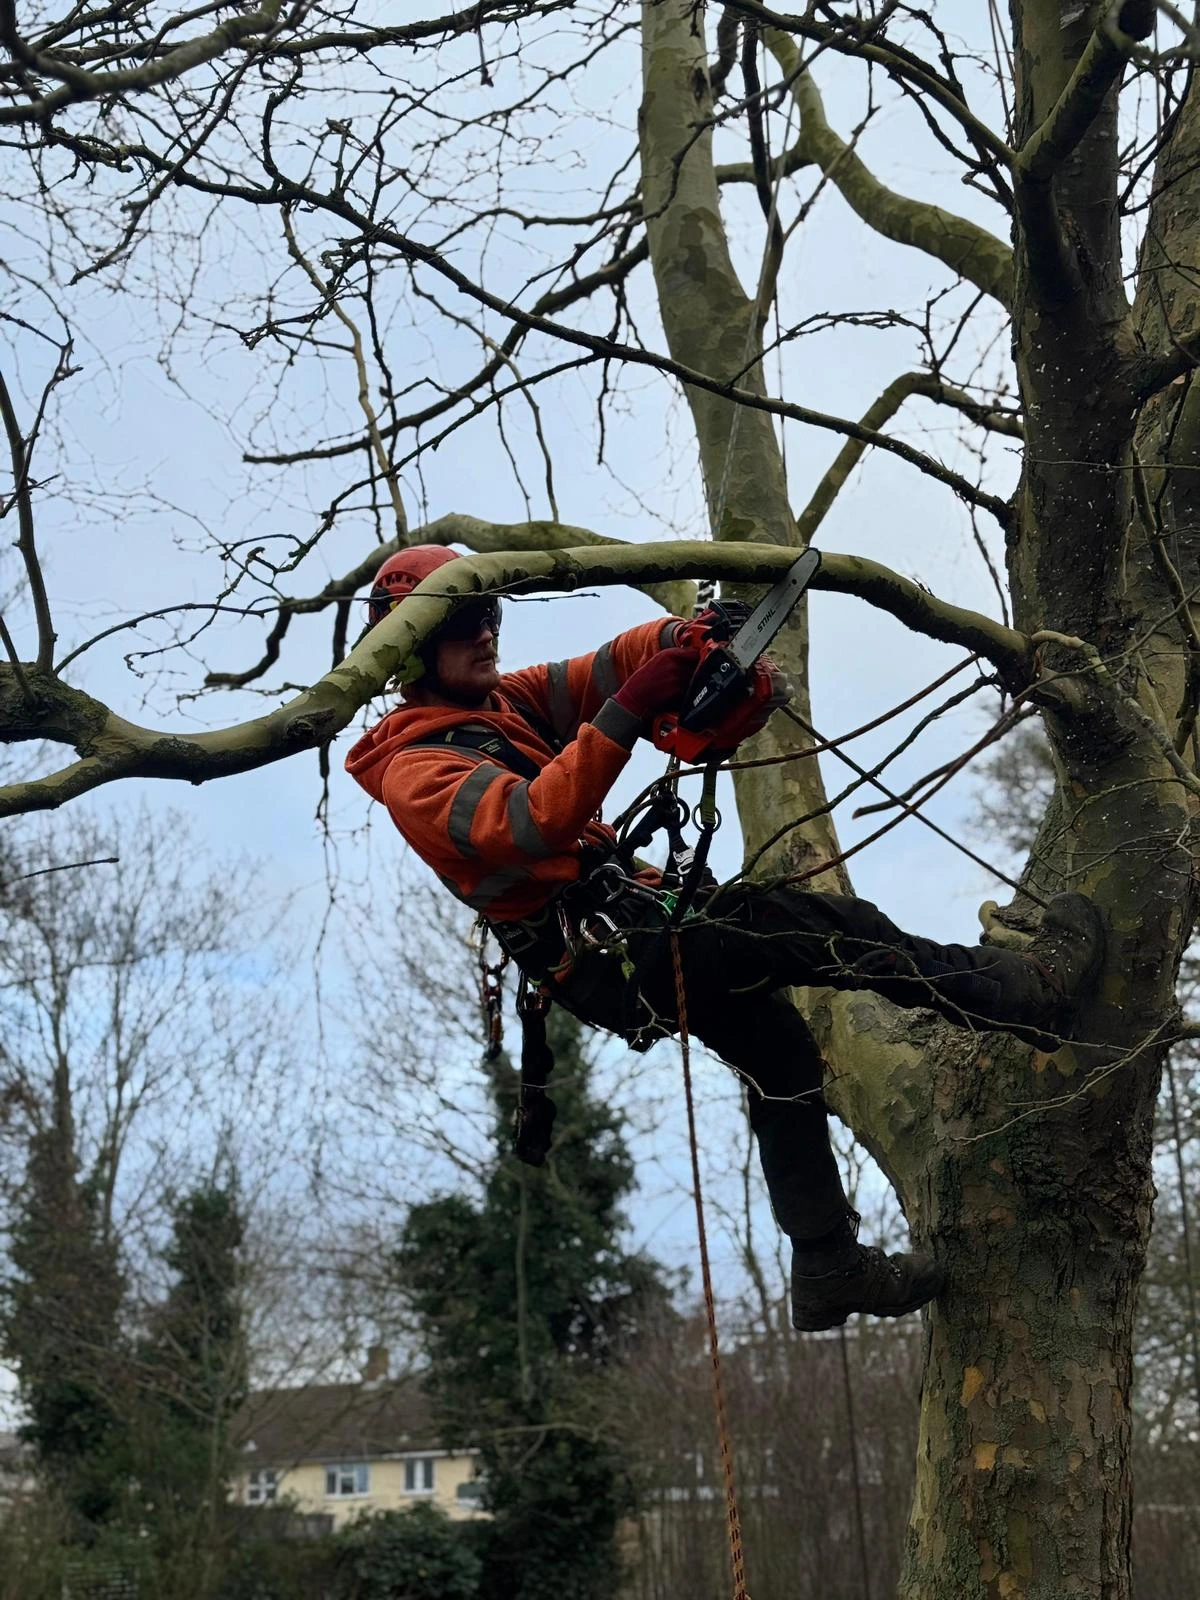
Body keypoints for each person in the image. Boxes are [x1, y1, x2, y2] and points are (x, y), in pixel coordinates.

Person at [346, 546, 1104, 1330]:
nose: (486, 634)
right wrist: (638, 701)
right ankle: (1019, 995)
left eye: (491, 615)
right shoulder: (417, 770)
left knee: (778, 1044)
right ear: (409, 647)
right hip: (615, 960)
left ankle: (827, 1266)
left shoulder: (506, 704)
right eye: (465, 622)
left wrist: (684, 642)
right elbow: (534, 820)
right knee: (817, 924)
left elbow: (609, 666)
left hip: (641, 930)